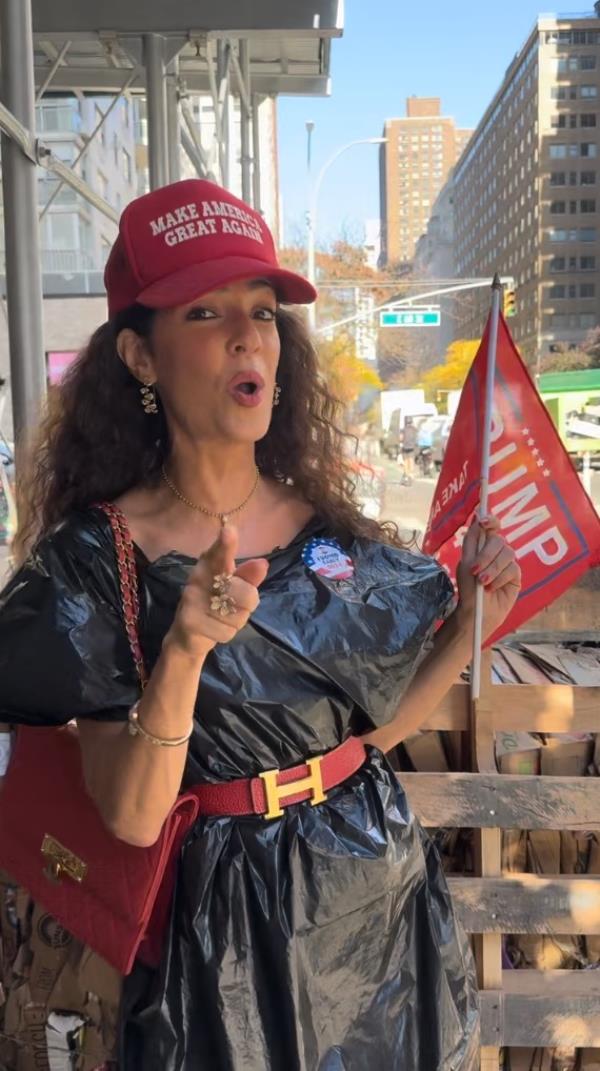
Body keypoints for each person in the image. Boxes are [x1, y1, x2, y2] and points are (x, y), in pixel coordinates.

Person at [0, 177, 521, 1071]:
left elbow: (366, 738)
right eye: (205, 311)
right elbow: (130, 817)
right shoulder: (100, 562)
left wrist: (476, 620)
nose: (249, 333)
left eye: (264, 309)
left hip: (374, 915)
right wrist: (187, 648)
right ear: (140, 356)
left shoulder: (331, 533)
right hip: (222, 940)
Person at [400, 415, 417, 483]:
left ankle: (406, 476)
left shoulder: (403, 429)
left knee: (406, 462)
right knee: (411, 460)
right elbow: (416, 438)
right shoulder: (414, 429)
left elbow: (400, 438)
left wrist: (401, 441)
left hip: (405, 447)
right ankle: (411, 474)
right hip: (412, 447)